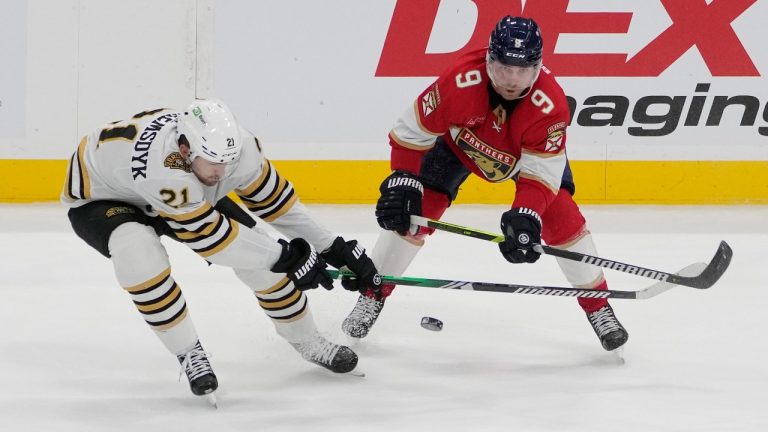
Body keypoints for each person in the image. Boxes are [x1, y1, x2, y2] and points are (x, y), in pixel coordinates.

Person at [61, 99, 381, 402]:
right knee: (139, 258)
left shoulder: (238, 150)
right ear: (184, 150)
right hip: (103, 200)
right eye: (215, 164)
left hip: (180, 188)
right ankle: (189, 352)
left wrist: (332, 246)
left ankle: (308, 341)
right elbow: (214, 241)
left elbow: (278, 205)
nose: (224, 173)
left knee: (262, 261)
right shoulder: (162, 167)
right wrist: (287, 257)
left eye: (228, 163)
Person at [342, 16, 628, 352]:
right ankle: (373, 293)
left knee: (561, 217)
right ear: (489, 59)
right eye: (504, 67)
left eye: (523, 71)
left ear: (538, 68)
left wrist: (526, 214)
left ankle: (598, 306)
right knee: (416, 211)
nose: (511, 80)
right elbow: (410, 133)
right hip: (456, 149)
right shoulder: (458, 81)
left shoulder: (550, 106)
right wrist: (403, 181)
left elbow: (541, 175)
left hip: (524, 160)